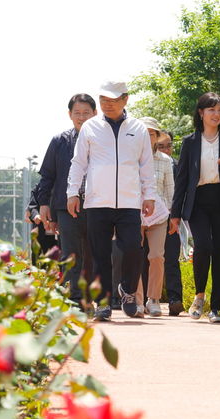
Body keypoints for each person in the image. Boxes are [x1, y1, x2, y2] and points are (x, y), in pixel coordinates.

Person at [67, 81, 157, 321]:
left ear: (125, 99)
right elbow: (79, 162)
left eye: (113, 100)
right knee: (100, 254)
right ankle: (103, 303)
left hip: (129, 201)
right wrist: (72, 192)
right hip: (97, 201)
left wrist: (149, 195)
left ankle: (127, 290)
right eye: (104, 99)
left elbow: (146, 165)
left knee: (132, 249)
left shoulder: (138, 129)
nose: (107, 104)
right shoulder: (90, 127)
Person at [169, 92, 220, 323]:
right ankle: (200, 295)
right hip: (197, 202)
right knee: (203, 246)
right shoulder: (190, 142)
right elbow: (182, 179)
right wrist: (175, 214)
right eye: (211, 110)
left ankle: (217, 308)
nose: (216, 114)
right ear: (201, 112)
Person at [36, 94, 97, 307]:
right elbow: (47, 176)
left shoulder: (103, 141)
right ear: (70, 115)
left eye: (86, 113)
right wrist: (44, 204)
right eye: (77, 113)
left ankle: (94, 297)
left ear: (95, 114)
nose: (81, 117)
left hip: (97, 204)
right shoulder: (59, 141)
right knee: (71, 252)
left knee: (94, 252)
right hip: (66, 206)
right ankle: (74, 299)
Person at [134, 117, 171, 318]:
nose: (148, 136)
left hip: (159, 216)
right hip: (133, 213)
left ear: (157, 137)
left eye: (152, 133)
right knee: (134, 256)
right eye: (145, 132)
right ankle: (138, 301)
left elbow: (170, 190)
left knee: (156, 256)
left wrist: (174, 216)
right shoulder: (130, 158)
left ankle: (153, 299)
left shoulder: (166, 161)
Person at [156, 131, 185, 316]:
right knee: (149, 259)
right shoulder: (144, 162)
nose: (167, 149)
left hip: (171, 218)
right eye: (161, 146)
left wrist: (177, 215)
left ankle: (175, 300)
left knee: (172, 260)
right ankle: (145, 300)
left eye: (169, 145)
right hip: (148, 219)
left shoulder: (178, 165)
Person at [25, 183, 59, 262]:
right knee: (38, 260)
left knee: (59, 260)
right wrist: (36, 215)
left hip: (59, 232)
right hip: (40, 232)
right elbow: (32, 206)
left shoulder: (63, 185)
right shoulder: (39, 187)